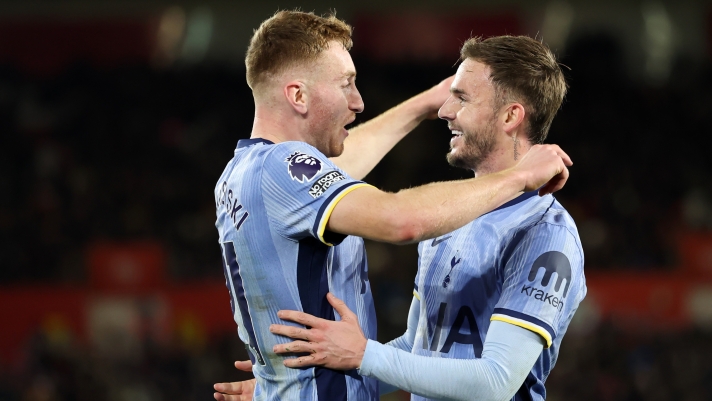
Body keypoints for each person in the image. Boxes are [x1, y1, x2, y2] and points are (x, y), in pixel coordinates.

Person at [214, 9, 572, 401]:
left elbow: (490, 380)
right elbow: (402, 219)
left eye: (461, 99)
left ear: (511, 116)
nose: (359, 101)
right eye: (346, 83)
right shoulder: (283, 170)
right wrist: (520, 176)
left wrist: (305, 372)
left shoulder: (543, 229)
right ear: (297, 95)